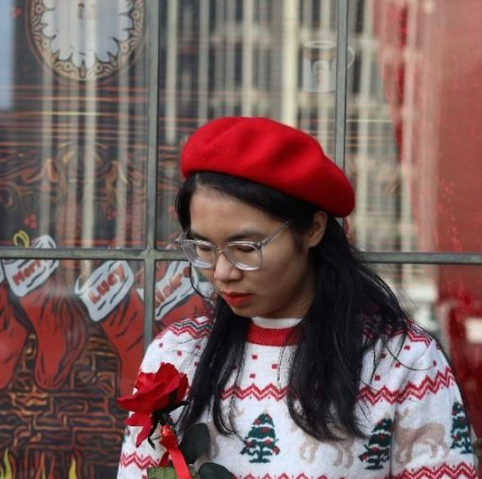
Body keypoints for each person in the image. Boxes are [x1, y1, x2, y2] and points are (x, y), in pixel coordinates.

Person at [117, 117, 477, 478]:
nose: (223, 271)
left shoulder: (402, 360)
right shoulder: (176, 355)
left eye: (245, 247)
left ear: (313, 229)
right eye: (204, 247)